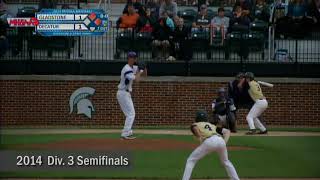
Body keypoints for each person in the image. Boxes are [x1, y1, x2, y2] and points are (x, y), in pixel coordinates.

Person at [182, 110, 240, 180]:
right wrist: (224, 143)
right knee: (226, 161)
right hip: (220, 140)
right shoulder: (212, 125)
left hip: (209, 141)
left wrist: (200, 138)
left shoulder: (195, 124)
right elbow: (227, 131)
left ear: (197, 118)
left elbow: (195, 128)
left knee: (191, 160)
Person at [117, 51, 147, 140]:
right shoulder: (126, 68)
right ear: (128, 58)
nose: (133, 59)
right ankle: (125, 133)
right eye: (131, 58)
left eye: (134, 58)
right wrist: (140, 70)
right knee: (131, 114)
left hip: (125, 93)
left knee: (129, 114)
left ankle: (127, 132)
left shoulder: (132, 67)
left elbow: (144, 75)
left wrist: (144, 67)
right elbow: (137, 79)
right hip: (123, 93)